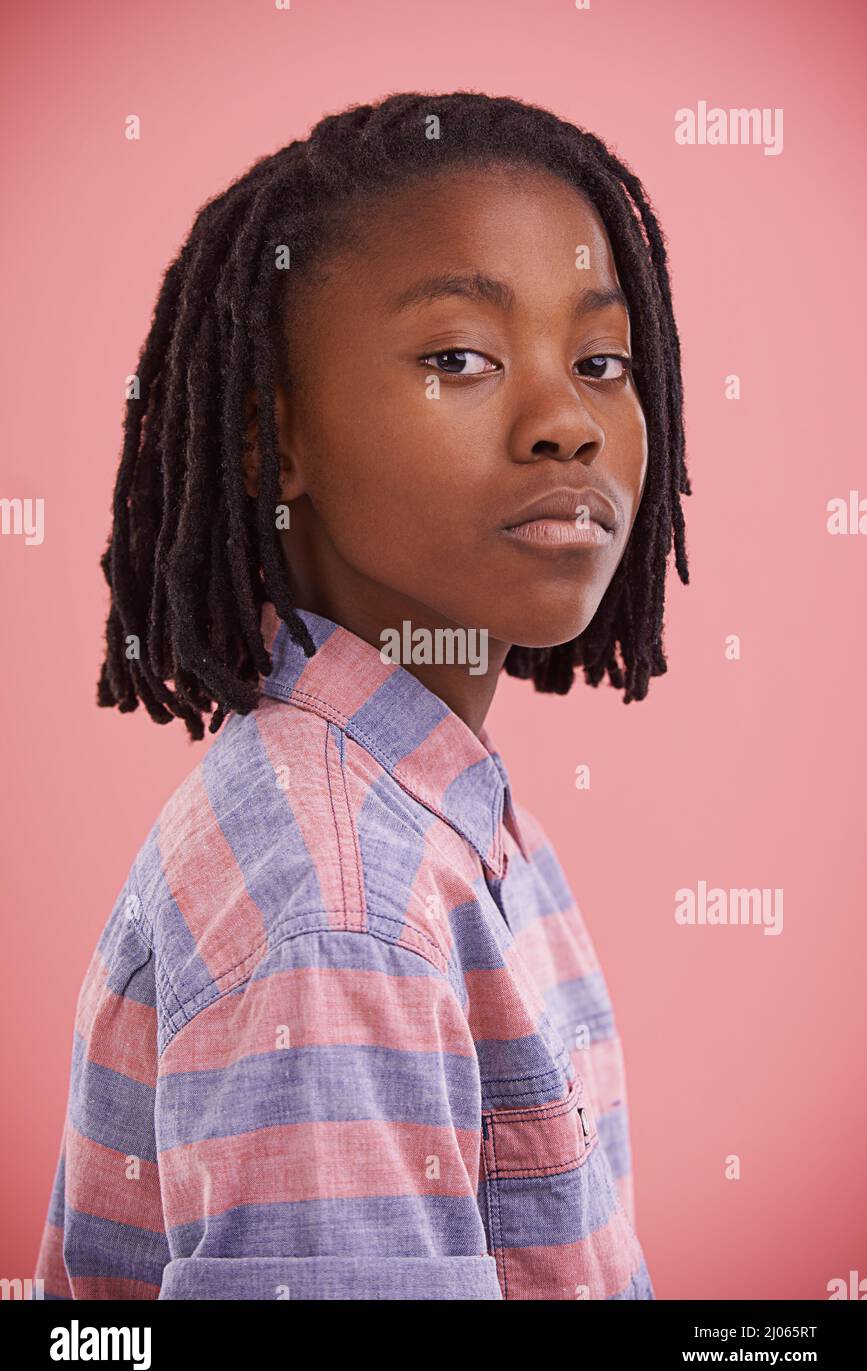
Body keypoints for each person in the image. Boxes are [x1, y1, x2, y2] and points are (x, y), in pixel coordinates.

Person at [34, 89, 690, 1300]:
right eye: (460, 358)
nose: (569, 424)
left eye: (602, 362)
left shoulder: (448, 817)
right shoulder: (347, 906)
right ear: (269, 445)